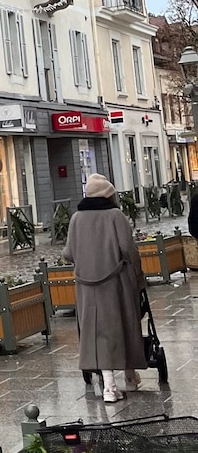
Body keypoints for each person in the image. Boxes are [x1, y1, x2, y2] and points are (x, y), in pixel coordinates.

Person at [65, 172, 146, 403]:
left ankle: (109, 384)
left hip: (86, 287)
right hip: (116, 282)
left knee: (95, 333)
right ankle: (128, 376)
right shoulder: (115, 216)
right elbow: (129, 250)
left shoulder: (76, 219)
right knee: (124, 325)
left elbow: (69, 253)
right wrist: (138, 276)